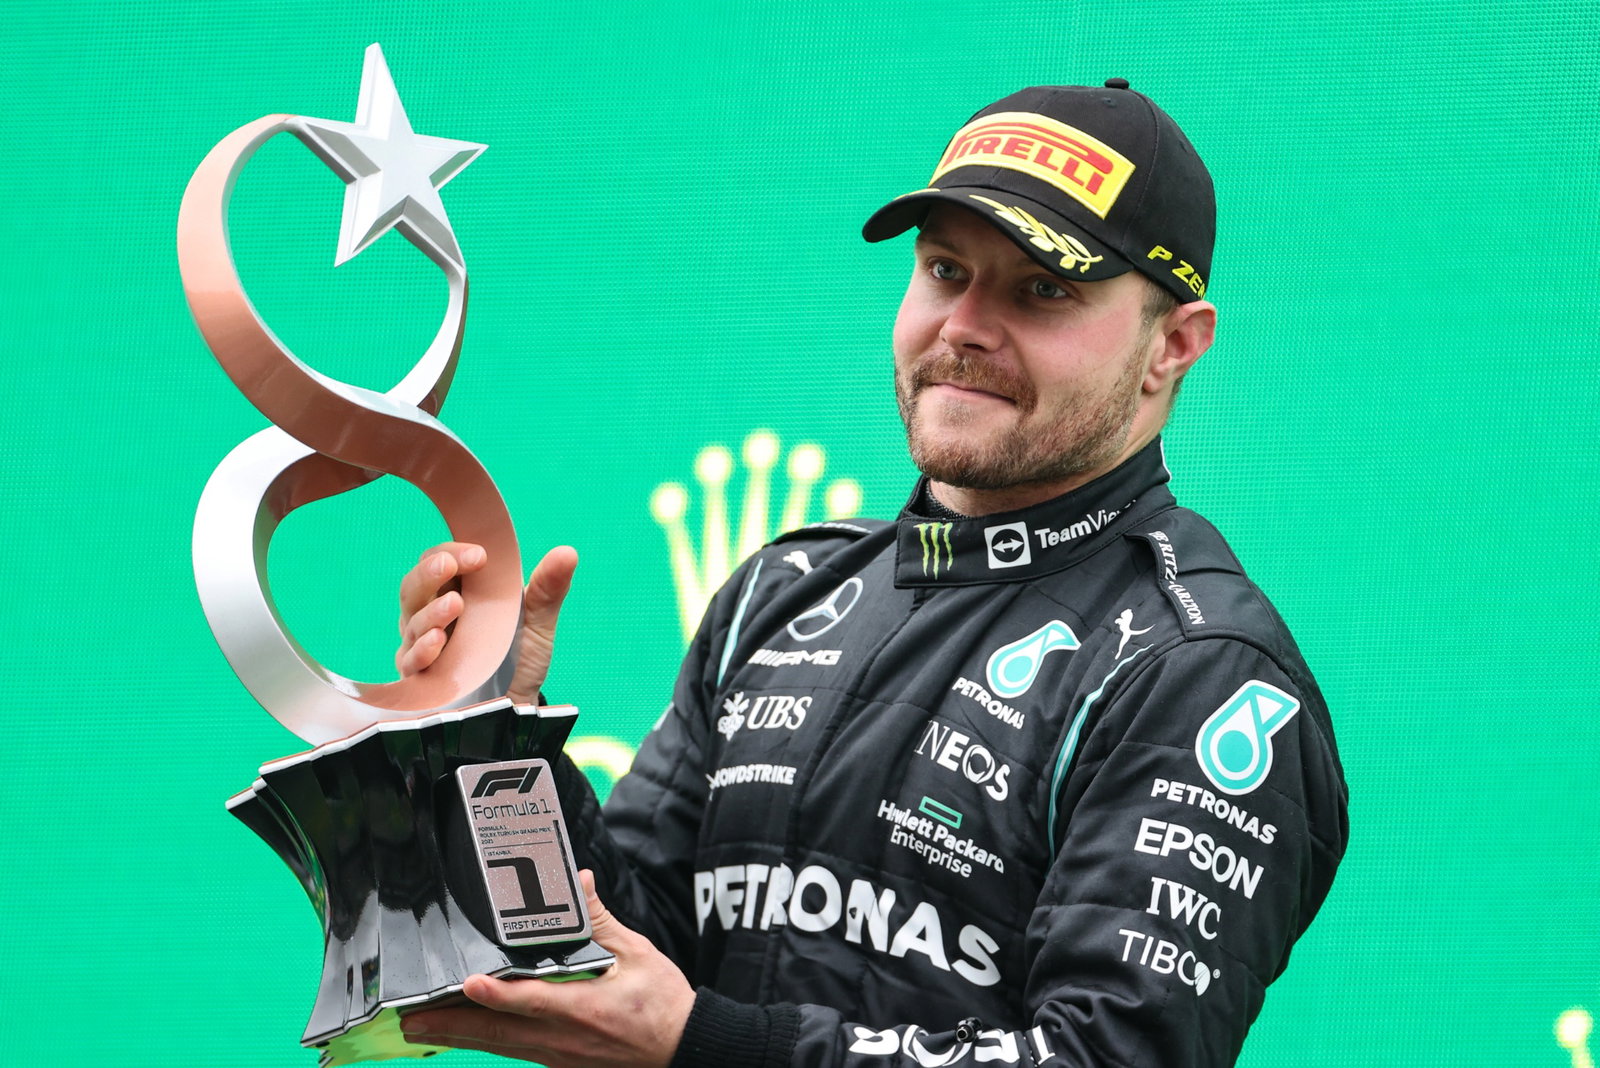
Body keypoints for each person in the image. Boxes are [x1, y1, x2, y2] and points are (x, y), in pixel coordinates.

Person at [395, 81, 1349, 1068]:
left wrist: (703, 1045)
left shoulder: (1196, 673)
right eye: (944, 270)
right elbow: (627, 955)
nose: (964, 326)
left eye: (1042, 290)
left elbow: (1105, 1058)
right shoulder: (782, 591)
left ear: (1175, 345)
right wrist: (497, 743)